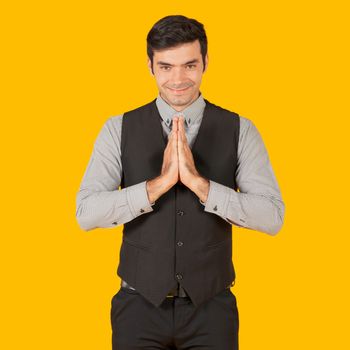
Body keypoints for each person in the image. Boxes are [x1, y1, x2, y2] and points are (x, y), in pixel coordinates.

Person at [76, 14, 285, 350]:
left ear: (205, 62)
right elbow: (86, 212)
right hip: (137, 308)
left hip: (212, 310)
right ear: (150, 66)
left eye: (189, 65)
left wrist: (200, 185)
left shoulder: (241, 130)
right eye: (166, 66)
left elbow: (272, 217)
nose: (178, 78)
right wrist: (157, 185)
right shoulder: (118, 129)